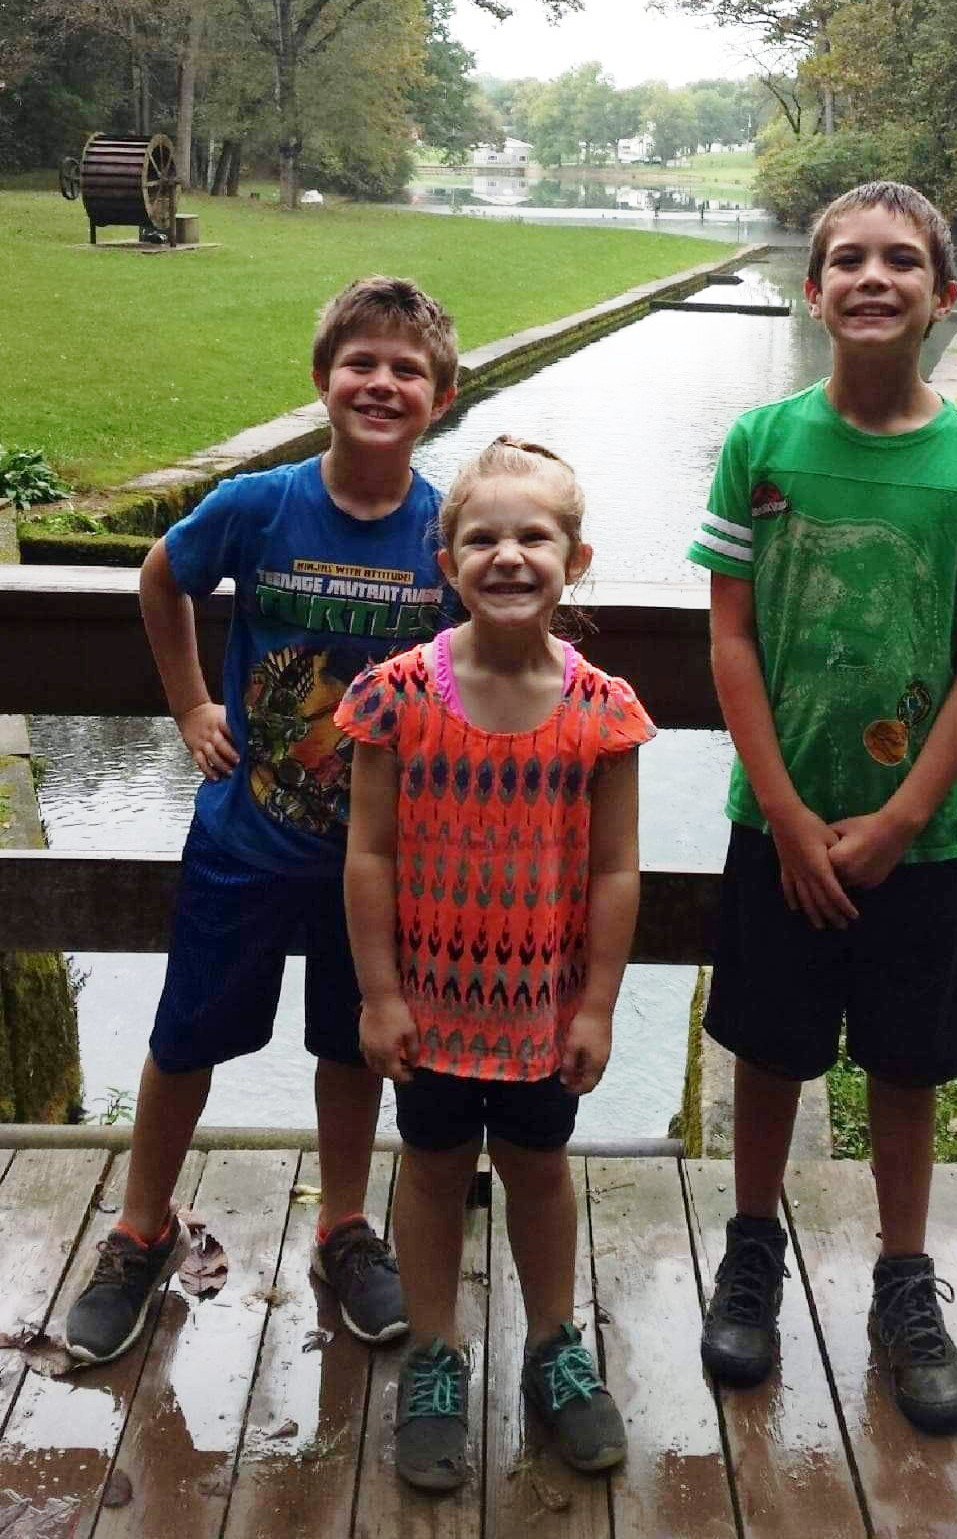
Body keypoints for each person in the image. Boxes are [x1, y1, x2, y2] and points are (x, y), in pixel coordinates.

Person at [686, 182, 957, 1434]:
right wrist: (786, 814)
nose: (872, 277)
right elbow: (730, 639)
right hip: (775, 825)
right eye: (846, 259)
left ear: (942, 294)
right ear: (813, 289)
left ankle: (904, 1282)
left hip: (921, 839)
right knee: (768, 1048)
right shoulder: (760, 444)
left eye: (901, 261)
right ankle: (750, 1253)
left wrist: (899, 819)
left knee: (906, 1061)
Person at [64, 275, 460, 1366]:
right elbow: (163, 578)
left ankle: (343, 1226)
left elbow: (487, 653)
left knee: (354, 1041)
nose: (381, 384)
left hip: (376, 860)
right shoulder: (260, 505)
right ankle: (140, 1228)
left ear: (441, 396)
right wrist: (192, 704)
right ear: (323, 377)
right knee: (185, 1034)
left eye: (407, 370)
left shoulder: (447, 530)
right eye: (361, 363)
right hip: (245, 839)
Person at [336, 436, 654, 1490]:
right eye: (482, 538)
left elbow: (614, 871)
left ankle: (553, 1344)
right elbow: (370, 853)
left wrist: (597, 1006)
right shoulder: (395, 696)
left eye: (534, 537)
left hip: (541, 1011)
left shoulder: (601, 709)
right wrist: (379, 995)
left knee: (539, 1170)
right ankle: (434, 1353)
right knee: (431, 1171)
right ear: (447, 563)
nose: (508, 556)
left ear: (575, 559)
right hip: (428, 1007)